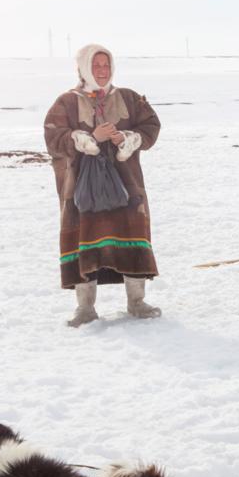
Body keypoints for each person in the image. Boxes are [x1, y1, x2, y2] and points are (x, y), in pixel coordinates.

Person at [43, 44, 164, 326]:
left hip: (127, 185)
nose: (102, 70)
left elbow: (152, 126)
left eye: (106, 65)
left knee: (131, 231)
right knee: (84, 238)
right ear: (83, 68)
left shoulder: (129, 98)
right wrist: (88, 137)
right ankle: (85, 307)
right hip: (82, 188)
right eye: (96, 65)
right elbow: (53, 139)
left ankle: (136, 301)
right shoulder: (66, 102)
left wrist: (126, 138)